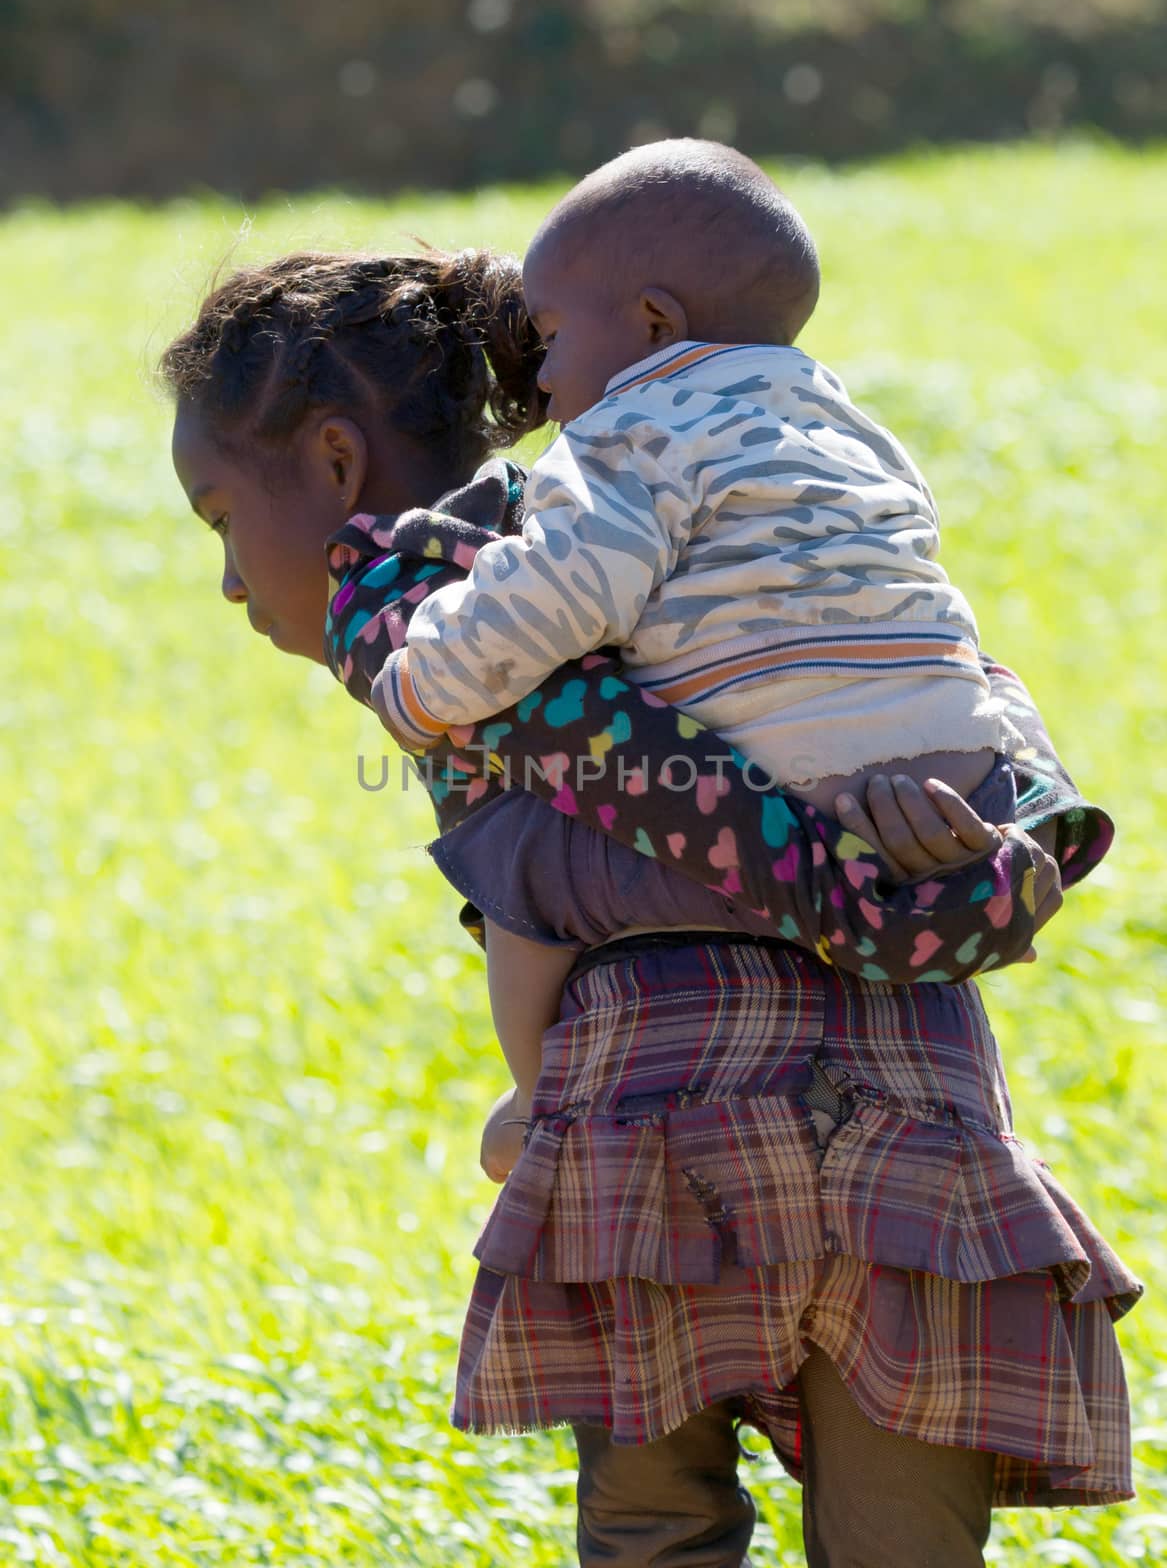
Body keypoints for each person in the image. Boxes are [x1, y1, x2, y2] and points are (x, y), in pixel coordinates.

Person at [163, 246, 1138, 1567]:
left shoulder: (421, 611)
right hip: (916, 1104)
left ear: (336, 465)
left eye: (219, 517)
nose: (226, 581)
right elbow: (953, 679)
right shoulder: (742, 484)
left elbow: (609, 811)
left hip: (652, 1124)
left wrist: (856, 900)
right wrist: (1008, 849)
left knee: (651, 1530)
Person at [358, 139, 1031, 1125]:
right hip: (959, 776)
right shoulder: (852, 423)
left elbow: (555, 588)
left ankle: (537, 1097)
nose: (541, 381)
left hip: (784, 783)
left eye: (548, 338)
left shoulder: (631, 429)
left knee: (519, 859)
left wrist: (424, 682)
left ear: (654, 324)